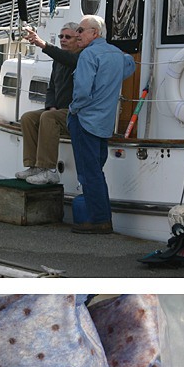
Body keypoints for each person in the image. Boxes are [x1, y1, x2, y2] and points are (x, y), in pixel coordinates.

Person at [67, 15, 136, 233]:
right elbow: (129, 67)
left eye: (81, 30)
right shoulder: (116, 53)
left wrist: (73, 109)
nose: (77, 34)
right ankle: (102, 217)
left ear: (94, 33)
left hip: (86, 120)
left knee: (89, 173)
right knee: (97, 170)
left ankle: (99, 221)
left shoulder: (88, 54)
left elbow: (82, 91)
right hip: (105, 123)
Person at [16, 22, 79, 185]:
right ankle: (33, 166)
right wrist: (51, 105)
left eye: (68, 37)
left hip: (75, 113)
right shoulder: (58, 61)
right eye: (61, 36)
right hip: (58, 111)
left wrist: (42, 44)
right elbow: (51, 88)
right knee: (28, 118)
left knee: (49, 118)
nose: (63, 40)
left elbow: (69, 60)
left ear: (77, 39)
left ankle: (49, 170)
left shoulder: (81, 57)